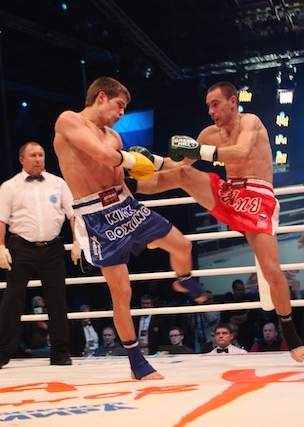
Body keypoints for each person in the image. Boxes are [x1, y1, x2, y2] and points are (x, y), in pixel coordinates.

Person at [127, 81, 304, 362]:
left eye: (216, 104)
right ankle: (126, 186)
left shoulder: (251, 122)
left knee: (271, 270)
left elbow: (241, 152)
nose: (211, 111)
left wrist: (200, 151)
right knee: (184, 176)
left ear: (233, 102)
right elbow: (178, 165)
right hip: (229, 192)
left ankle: (291, 335)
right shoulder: (208, 134)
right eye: (208, 106)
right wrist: (152, 161)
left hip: (257, 197)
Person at [53, 76, 207, 380]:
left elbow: (128, 173)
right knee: (122, 291)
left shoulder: (113, 136)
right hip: (96, 214)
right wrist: (137, 160)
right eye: (119, 105)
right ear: (101, 97)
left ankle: (184, 280)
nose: (122, 113)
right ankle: (138, 363)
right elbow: (102, 156)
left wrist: (183, 162)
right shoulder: (69, 121)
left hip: (125, 204)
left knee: (182, 245)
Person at [0, 141, 75, 370]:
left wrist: (78, 242)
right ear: (22, 160)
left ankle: (60, 353)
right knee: (12, 300)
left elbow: (73, 215)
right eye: (33, 155)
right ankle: (2, 354)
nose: (38, 159)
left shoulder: (58, 183)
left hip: (52, 247)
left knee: (57, 301)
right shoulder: (9, 186)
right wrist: (0, 247)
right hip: (21, 248)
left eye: (41, 155)